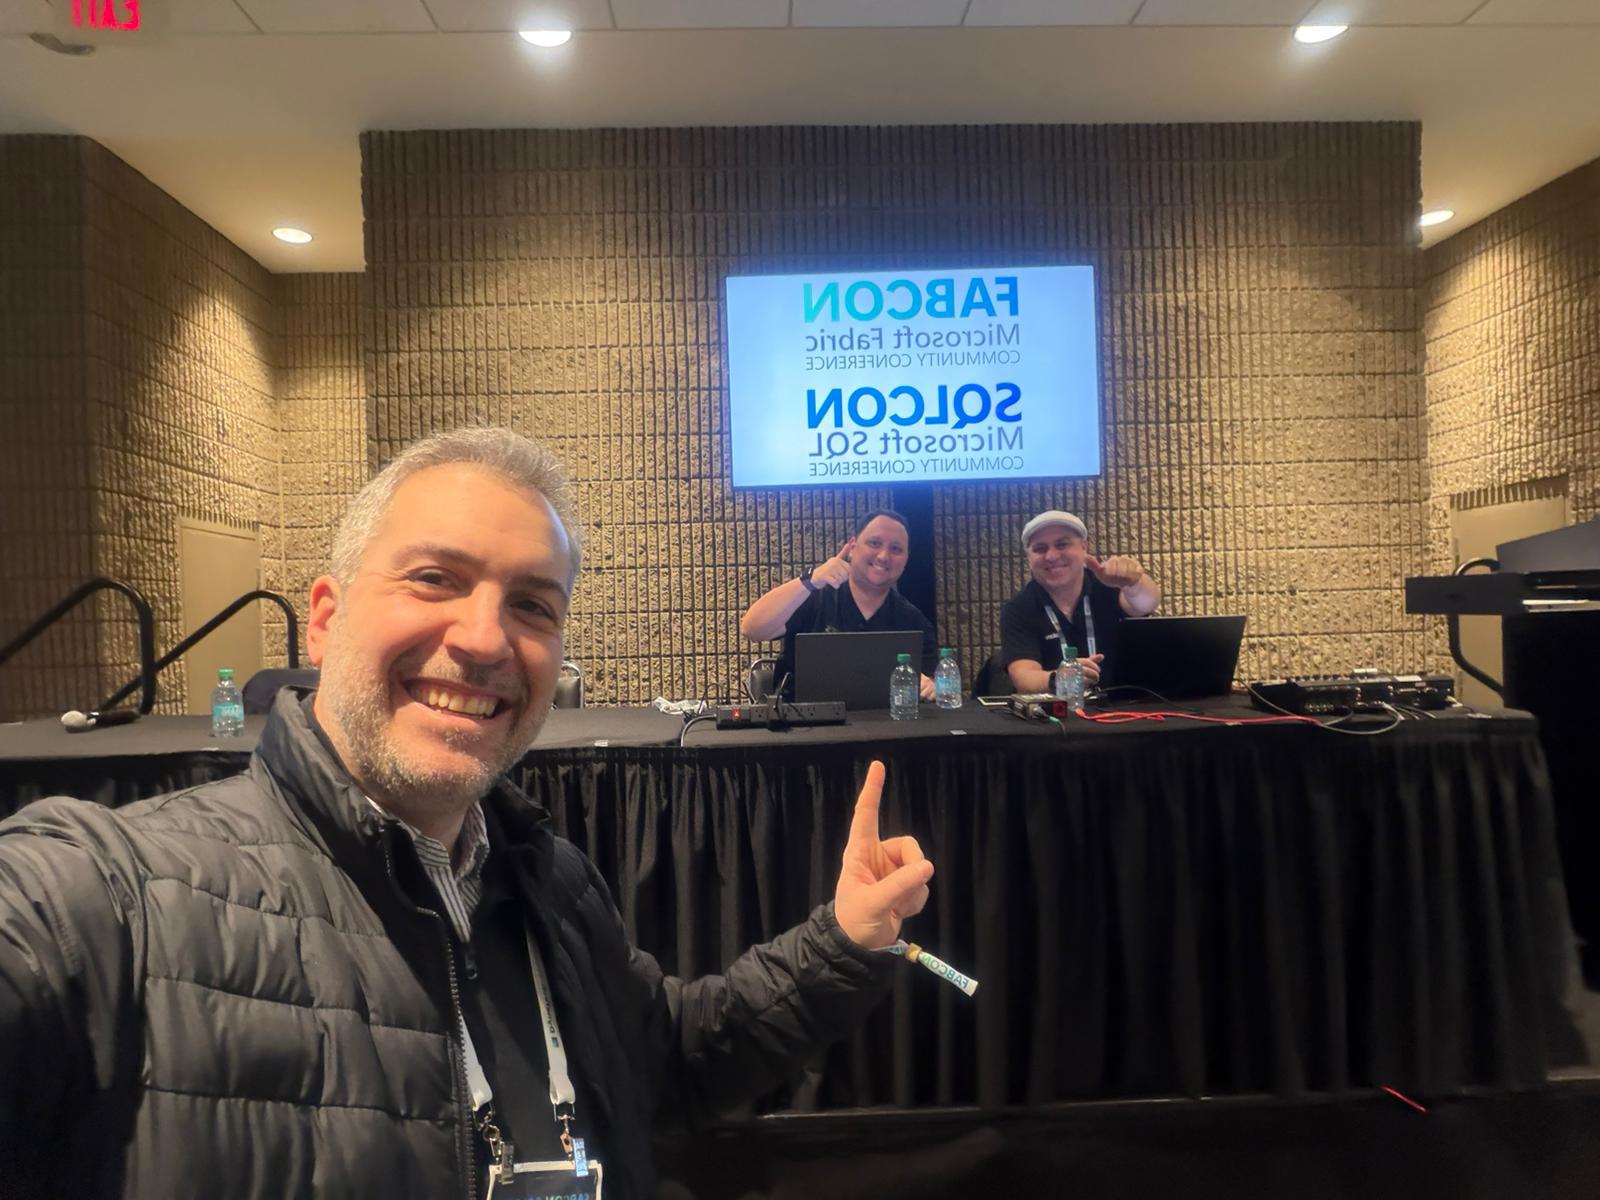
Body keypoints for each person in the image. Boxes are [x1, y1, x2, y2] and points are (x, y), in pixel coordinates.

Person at [0, 428, 935, 1200]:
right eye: (435, 579)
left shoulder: (551, 881)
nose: (486, 638)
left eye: (531, 603)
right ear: (323, 620)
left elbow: (676, 1058)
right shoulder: (103, 896)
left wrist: (845, 941)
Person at [739, 510, 938, 700]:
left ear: (906, 559)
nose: (883, 556)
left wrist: (932, 687)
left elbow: (933, 684)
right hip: (804, 729)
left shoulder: (913, 621)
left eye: (896, 549)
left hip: (886, 728)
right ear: (852, 547)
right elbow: (752, 628)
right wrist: (811, 580)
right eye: (874, 543)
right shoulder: (813, 598)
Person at [999, 509, 1161, 693]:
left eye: (1062, 545)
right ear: (1029, 557)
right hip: (1058, 714)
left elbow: (1147, 603)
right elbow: (1024, 679)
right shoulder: (1019, 609)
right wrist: (1059, 678)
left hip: (1123, 710)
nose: (1051, 556)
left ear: (1084, 547)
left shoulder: (1109, 585)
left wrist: (1134, 582)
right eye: (1040, 548)